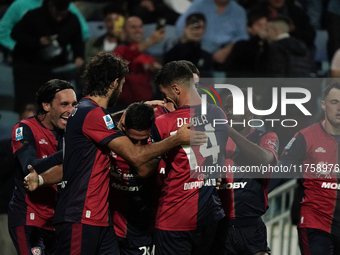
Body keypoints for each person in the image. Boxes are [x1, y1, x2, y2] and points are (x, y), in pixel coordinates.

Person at [24, 52, 205, 255]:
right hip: (81, 215)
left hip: (100, 220)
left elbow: (75, 161)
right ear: (114, 83)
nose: (122, 89)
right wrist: (176, 140)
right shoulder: (91, 113)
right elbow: (136, 156)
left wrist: (134, 109)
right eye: (122, 84)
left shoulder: (85, 110)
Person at [151, 61, 229, 254]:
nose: (165, 100)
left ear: (176, 89)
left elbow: (147, 168)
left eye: (165, 94)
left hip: (174, 216)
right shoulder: (218, 114)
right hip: (210, 213)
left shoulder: (162, 122)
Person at [9, 80, 77, 255]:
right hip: (30, 219)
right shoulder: (25, 129)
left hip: (61, 221)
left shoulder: (71, 132)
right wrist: (64, 155)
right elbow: (29, 166)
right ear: (46, 105)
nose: (71, 110)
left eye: (73, 104)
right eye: (64, 104)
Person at [211, 89, 279, 255]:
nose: (229, 112)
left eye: (235, 108)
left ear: (250, 112)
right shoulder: (214, 142)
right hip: (220, 228)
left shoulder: (266, 137)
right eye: (227, 108)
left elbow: (264, 159)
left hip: (252, 228)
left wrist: (230, 131)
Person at [277, 82, 340, 255]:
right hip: (315, 223)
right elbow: (278, 171)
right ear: (324, 104)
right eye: (334, 102)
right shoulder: (305, 137)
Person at [11, 0, 85, 112]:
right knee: (28, 106)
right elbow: (15, 34)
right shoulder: (34, 15)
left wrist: (78, 56)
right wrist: (38, 41)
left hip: (55, 68)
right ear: (51, 7)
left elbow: (77, 41)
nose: (59, 18)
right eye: (57, 14)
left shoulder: (71, 19)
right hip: (27, 67)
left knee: (54, 106)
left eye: (62, 15)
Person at [109, 102, 157, 255]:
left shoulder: (159, 142)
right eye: (132, 139)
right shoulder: (110, 139)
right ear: (123, 126)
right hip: (109, 229)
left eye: (143, 140)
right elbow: (94, 121)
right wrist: (128, 108)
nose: (137, 146)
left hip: (142, 230)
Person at [0, 104, 35, 255]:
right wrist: (17, 151)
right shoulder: (4, 147)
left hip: (35, 215)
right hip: (7, 212)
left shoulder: (45, 148)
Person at [175, 0, 248, 71]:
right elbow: (180, 27)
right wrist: (193, 38)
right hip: (200, 49)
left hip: (226, 54)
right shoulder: (200, 4)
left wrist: (228, 49)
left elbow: (243, 36)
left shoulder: (239, 11)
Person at [113, 16, 165, 110]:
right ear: (124, 31)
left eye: (140, 27)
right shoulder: (119, 50)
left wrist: (155, 68)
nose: (138, 30)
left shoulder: (147, 54)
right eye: (133, 27)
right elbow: (126, 57)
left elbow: (151, 66)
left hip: (146, 106)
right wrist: (150, 41)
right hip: (123, 107)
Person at [0, 0, 89, 53]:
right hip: (26, 59)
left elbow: (83, 31)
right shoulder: (19, 5)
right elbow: (2, 31)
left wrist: (61, 46)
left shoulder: (66, 5)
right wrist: (16, 46)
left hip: (58, 59)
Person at [164, 13, 213, 77]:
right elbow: (167, 64)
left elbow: (207, 77)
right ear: (186, 28)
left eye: (201, 27)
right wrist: (184, 41)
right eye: (195, 27)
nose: (198, 31)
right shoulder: (172, 43)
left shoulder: (206, 51)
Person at [225, 11, 268, 77]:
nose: (263, 28)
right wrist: (257, 38)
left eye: (265, 25)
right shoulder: (240, 45)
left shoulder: (269, 46)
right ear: (249, 28)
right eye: (258, 25)